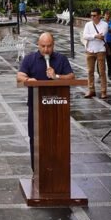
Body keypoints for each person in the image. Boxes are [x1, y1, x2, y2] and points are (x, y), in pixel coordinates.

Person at [16, 32, 74, 169]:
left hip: (57, 107)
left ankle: (56, 169)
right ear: (38, 45)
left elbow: (71, 76)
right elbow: (19, 76)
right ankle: (36, 170)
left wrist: (57, 77)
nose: (46, 50)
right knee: (35, 138)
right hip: (36, 107)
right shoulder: (30, 59)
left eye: (49, 46)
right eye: (43, 46)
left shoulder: (61, 59)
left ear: (53, 45)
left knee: (56, 138)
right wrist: (28, 80)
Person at [82, 8, 109, 98]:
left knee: (102, 72)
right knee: (90, 71)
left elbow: (102, 35)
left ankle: (103, 91)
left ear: (99, 16)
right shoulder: (88, 24)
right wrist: (95, 35)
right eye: (91, 15)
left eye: (94, 15)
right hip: (90, 50)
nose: (92, 17)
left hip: (100, 50)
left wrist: (92, 36)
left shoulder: (104, 24)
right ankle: (91, 90)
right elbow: (85, 36)